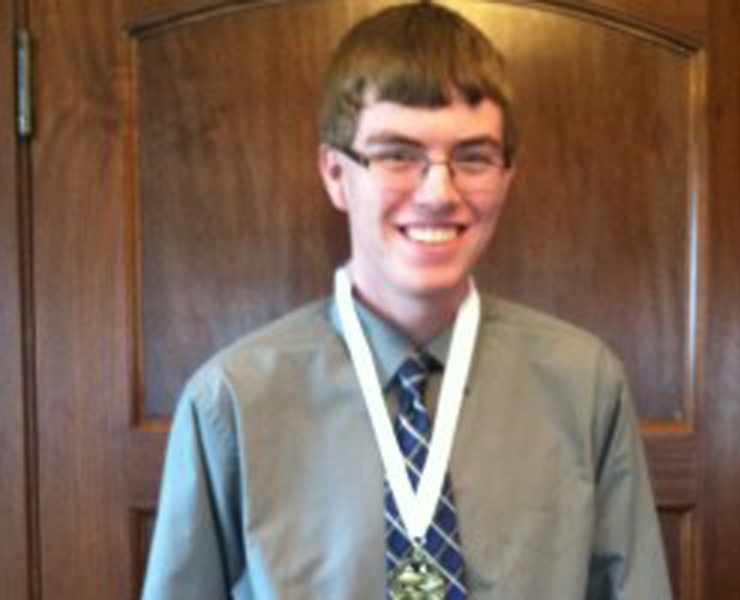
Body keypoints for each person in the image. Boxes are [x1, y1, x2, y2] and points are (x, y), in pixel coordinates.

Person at [141, 2, 672, 599]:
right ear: (336, 174)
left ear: (506, 176)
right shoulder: (230, 403)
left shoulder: (584, 386)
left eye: (473, 157)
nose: (438, 192)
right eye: (397, 154)